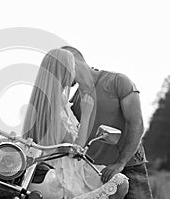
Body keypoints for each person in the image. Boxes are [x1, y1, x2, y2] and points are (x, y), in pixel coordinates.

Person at [22, 48, 129, 199]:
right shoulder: (52, 107)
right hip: (63, 172)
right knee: (119, 184)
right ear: (64, 71)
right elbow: (75, 150)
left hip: (63, 168)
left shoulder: (56, 102)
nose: (73, 72)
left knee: (118, 182)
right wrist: (86, 114)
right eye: (71, 67)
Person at [61, 46, 153, 199]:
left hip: (129, 167)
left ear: (72, 62)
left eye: (60, 68)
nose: (59, 76)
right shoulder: (74, 100)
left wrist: (121, 163)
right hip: (98, 174)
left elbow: (136, 123)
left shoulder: (119, 81)